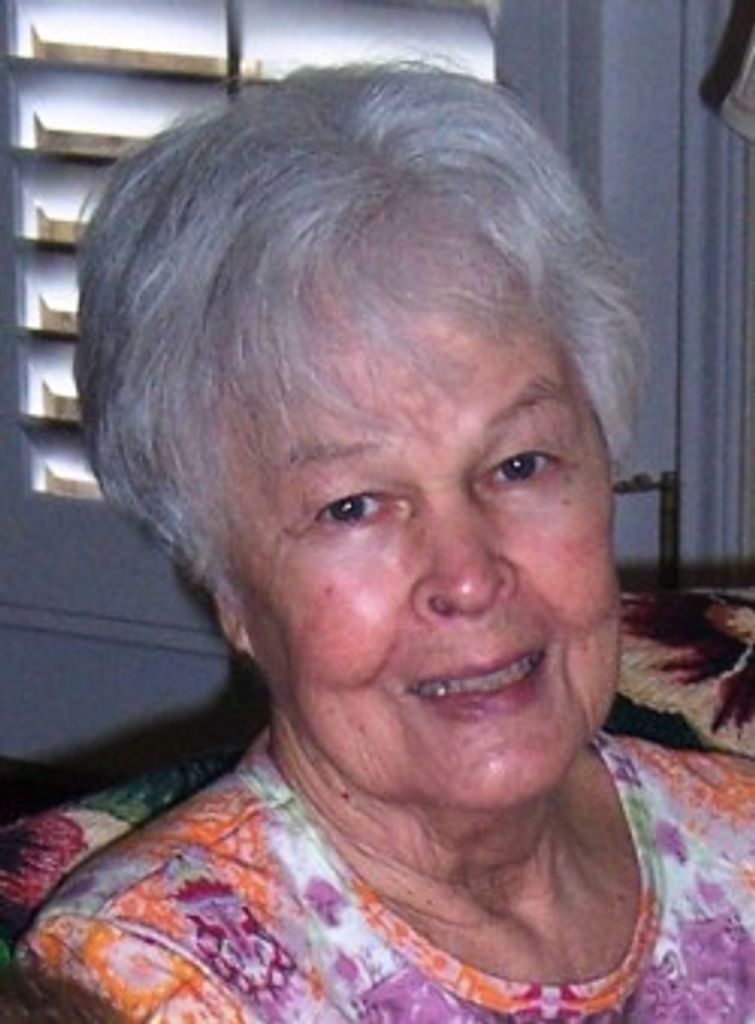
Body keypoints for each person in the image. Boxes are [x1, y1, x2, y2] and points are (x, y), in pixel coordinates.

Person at [19, 64, 755, 1021]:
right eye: (352, 507)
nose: (468, 577)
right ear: (230, 589)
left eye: (520, 465)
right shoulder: (146, 979)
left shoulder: (738, 846)